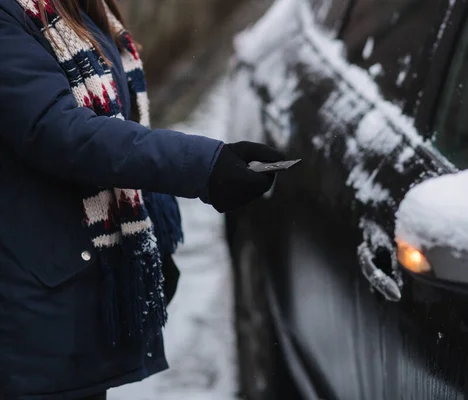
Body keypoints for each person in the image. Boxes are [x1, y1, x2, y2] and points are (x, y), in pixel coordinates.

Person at [0, 0, 283, 398]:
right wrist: (202, 165)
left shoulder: (75, 7)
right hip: (32, 305)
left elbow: (115, 118)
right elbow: (61, 132)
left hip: (67, 288)